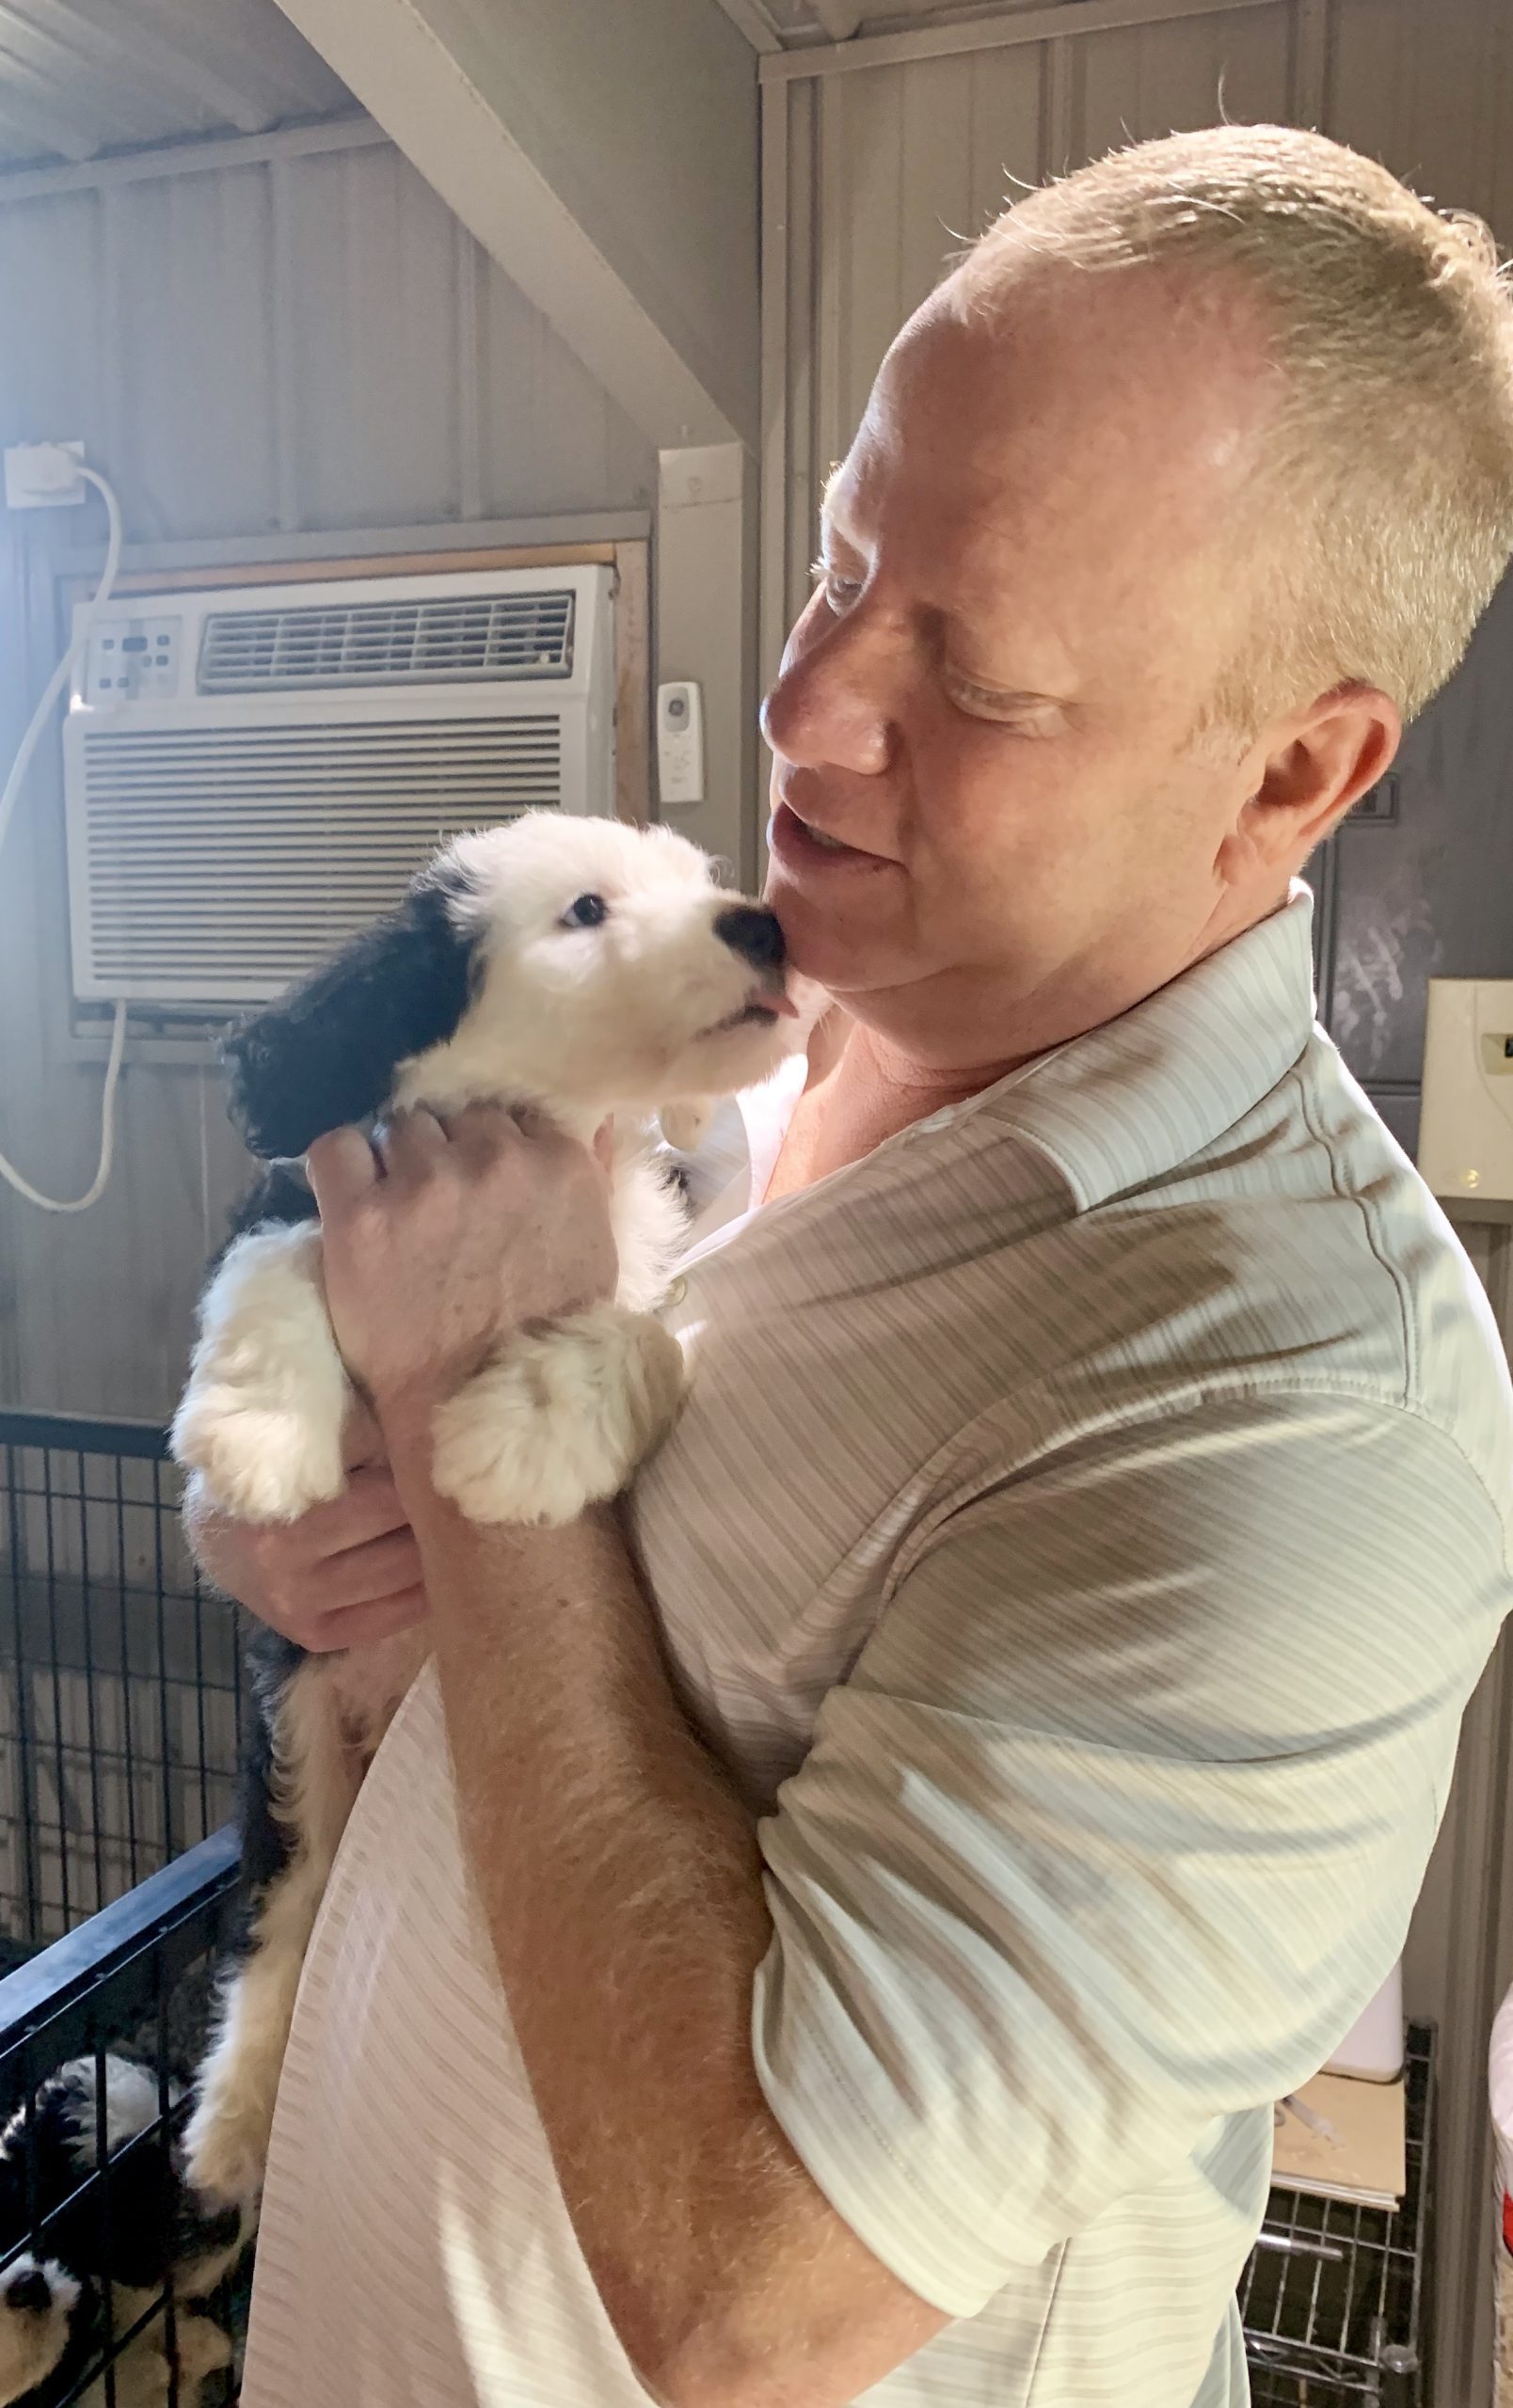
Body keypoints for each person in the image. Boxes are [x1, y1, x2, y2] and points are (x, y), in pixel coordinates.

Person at [199, 124, 1513, 2407]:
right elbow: (363, 1409)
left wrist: (479, 1411)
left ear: (1294, 772)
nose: (806, 708)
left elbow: (757, 2289)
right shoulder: (735, 1049)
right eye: (836, 560)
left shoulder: (1303, 1405)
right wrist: (290, 1519)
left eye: (973, 674)